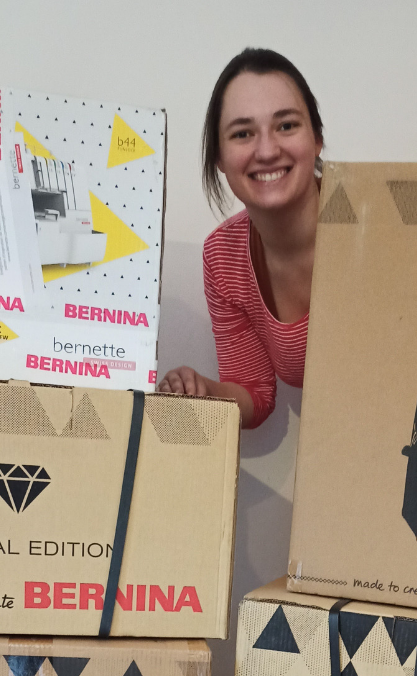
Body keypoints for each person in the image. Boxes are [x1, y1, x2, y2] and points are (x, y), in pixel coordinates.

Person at [158, 49, 323, 428]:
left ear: (317, 138)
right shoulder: (223, 256)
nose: (267, 150)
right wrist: (203, 391)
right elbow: (255, 393)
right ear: (219, 156)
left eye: (286, 126)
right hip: (340, 442)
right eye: (243, 134)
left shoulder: (375, 215)